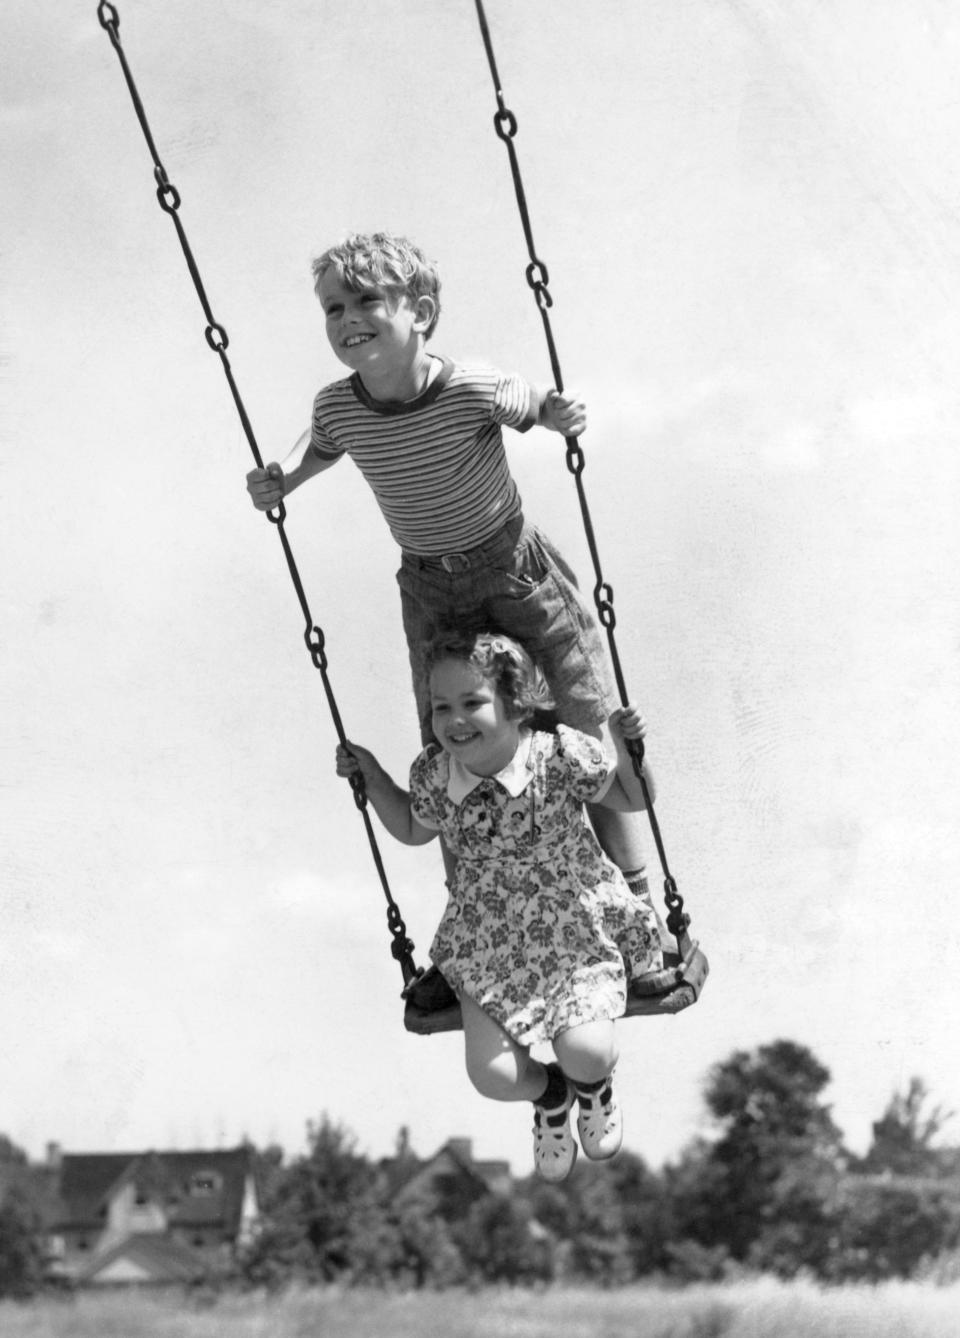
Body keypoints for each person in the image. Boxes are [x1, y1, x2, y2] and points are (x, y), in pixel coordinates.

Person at [246, 230, 652, 897]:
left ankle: (635, 898)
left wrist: (559, 414)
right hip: (432, 588)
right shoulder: (340, 407)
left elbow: (535, 405)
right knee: (452, 751)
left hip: (516, 572)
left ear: (421, 314)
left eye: (365, 301)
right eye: (332, 309)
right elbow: (318, 449)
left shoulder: (469, 387)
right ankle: (470, 917)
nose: (347, 319)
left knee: (579, 727)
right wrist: (281, 479)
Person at [335, 630, 663, 1181]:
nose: (453, 720)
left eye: (471, 703)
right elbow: (415, 828)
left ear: (515, 706)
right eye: (441, 707)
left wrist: (630, 751)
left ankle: (591, 1085)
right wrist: (373, 776)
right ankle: (552, 1096)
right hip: (486, 943)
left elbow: (634, 797)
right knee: (492, 1076)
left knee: (587, 1051)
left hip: (573, 933)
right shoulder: (437, 775)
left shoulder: (557, 755)